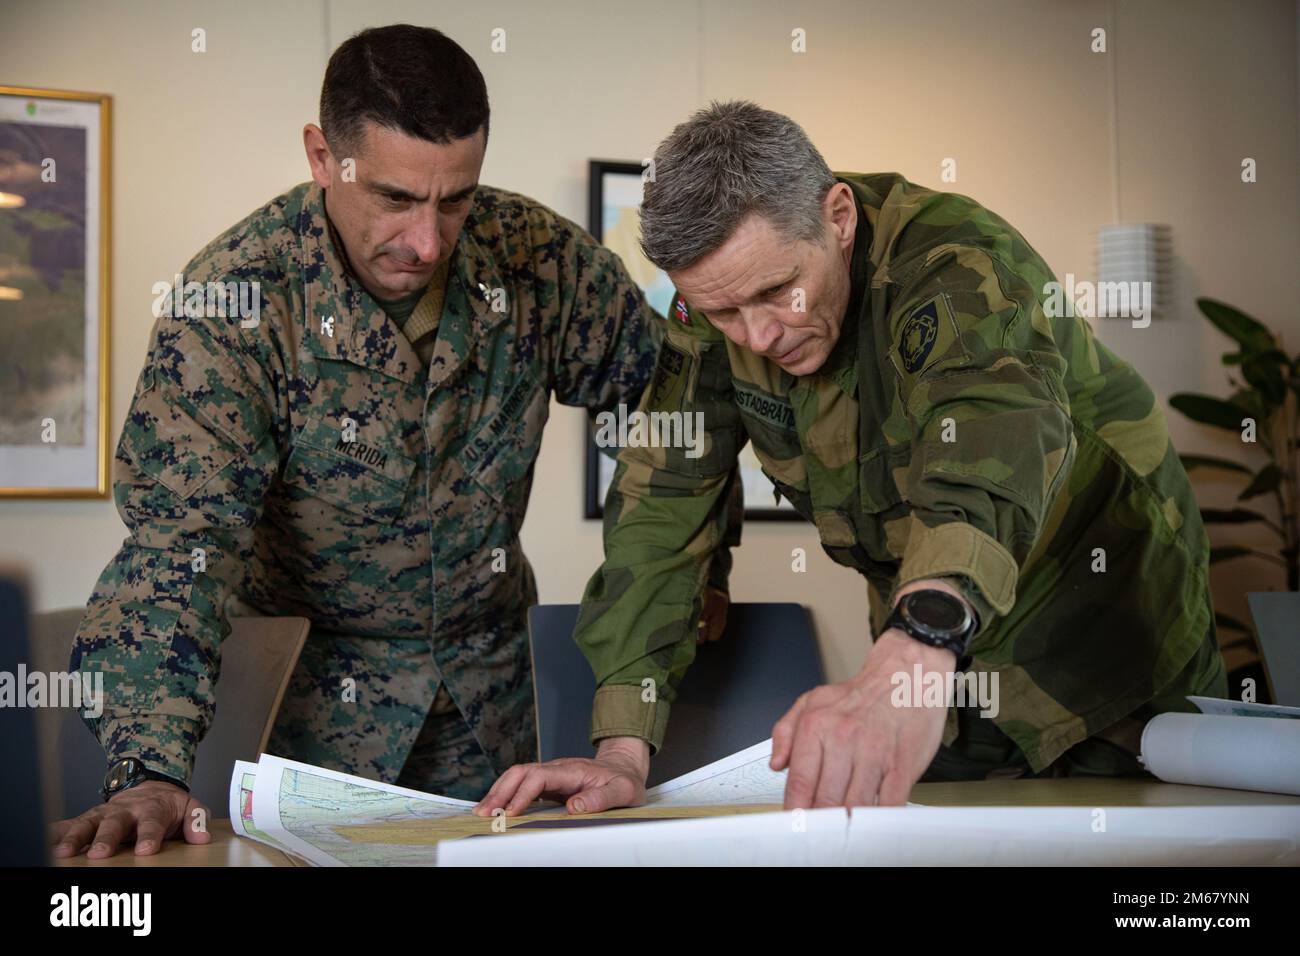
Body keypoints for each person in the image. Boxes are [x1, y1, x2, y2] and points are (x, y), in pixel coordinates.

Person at [52, 24, 732, 860]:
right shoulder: (236, 303)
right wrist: (148, 768)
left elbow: (688, 403)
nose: (428, 242)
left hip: (496, 718)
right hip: (300, 729)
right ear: (320, 156)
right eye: (396, 199)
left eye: (456, 200)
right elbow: (177, 548)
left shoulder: (536, 262)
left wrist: (701, 567)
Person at [476, 100, 1226, 817]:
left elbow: (986, 444)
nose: (758, 335)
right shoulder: (712, 316)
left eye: (778, 292)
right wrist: (621, 753)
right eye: (723, 312)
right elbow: (662, 510)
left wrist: (918, 645)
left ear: (838, 218)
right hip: (936, 672)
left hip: (1102, 642)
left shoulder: (956, 265)